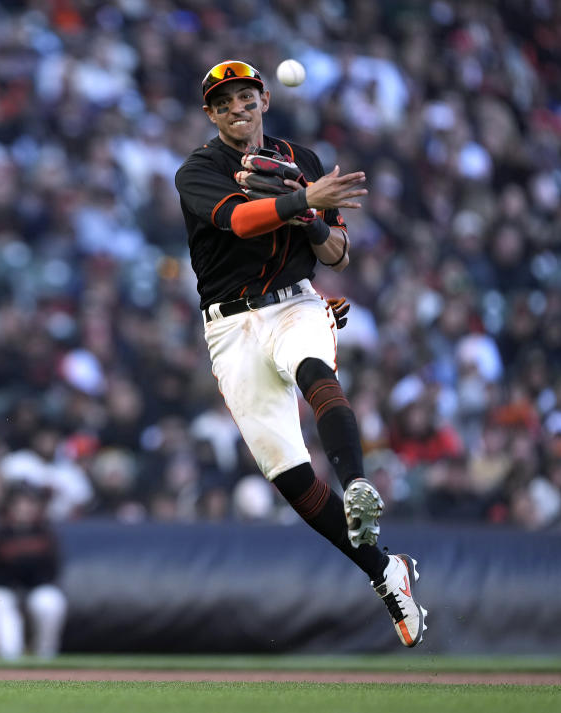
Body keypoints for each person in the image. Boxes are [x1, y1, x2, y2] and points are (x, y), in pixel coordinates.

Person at [173, 60, 427, 647]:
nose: (238, 106)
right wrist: (303, 200)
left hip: (294, 302)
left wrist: (312, 216)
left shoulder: (303, 159)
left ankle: (358, 484)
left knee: (313, 368)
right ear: (211, 114)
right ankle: (385, 572)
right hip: (230, 325)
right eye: (225, 100)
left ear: (265, 99)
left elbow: (338, 254)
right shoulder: (199, 169)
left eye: (246, 95)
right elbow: (238, 222)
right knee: (289, 475)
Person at [0, 481, 68, 659]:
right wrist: (15, 581)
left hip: (30, 590)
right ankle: (10, 663)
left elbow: (51, 572)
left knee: (51, 602)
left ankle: (45, 659)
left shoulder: (44, 532)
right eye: (20, 503)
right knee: (4, 604)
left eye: (30, 503)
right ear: (10, 505)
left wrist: (24, 582)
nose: (24, 508)